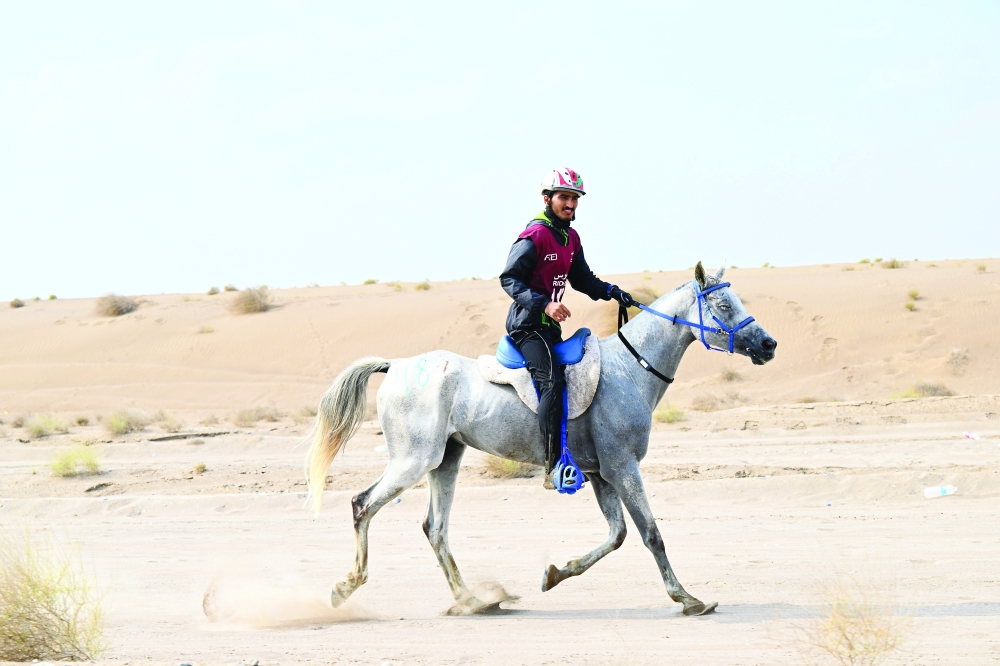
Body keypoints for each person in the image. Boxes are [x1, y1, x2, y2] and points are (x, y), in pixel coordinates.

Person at [499, 167, 634, 484]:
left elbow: (583, 279)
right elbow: (509, 279)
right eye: (564, 197)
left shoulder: (570, 238)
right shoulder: (535, 235)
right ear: (547, 198)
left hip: (550, 330)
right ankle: (553, 467)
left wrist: (611, 291)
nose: (570, 204)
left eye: (575, 198)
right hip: (527, 327)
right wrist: (545, 304)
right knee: (552, 383)